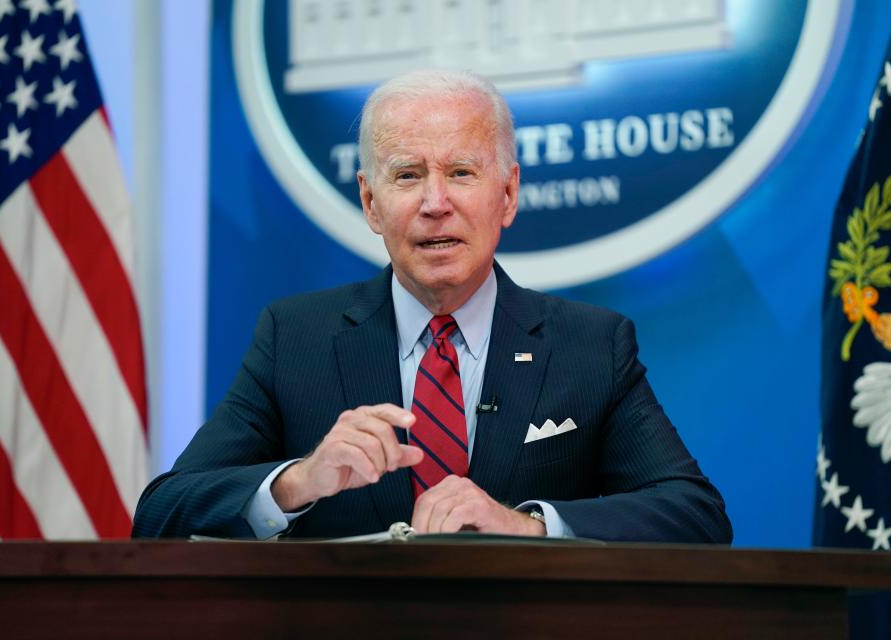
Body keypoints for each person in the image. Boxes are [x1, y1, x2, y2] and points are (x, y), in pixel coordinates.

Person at [132, 70, 732, 542]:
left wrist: (528, 527)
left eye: (462, 172)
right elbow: (161, 511)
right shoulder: (295, 339)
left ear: (508, 194)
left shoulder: (589, 346)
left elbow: (695, 515)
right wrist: (297, 481)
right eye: (408, 175)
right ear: (370, 203)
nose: (435, 202)